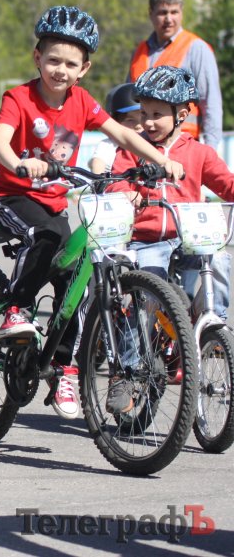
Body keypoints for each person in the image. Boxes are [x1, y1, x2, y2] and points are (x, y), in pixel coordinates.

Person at [0, 5, 184, 420]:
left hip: (54, 201)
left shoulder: (82, 101)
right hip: (12, 193)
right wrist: (18, 163)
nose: (60, 70)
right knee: (45, 237)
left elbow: (122, 133)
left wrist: (161, 160)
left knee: (75, 279)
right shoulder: (18, 98)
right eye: (53, 60)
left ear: (84, 69)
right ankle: (15, 308)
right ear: (37, 57)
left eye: (70, 64)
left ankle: (64, 368)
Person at [107, 65, 234, 413]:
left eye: (157, 115)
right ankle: (127, 372)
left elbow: (226, 184)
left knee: (220, 259)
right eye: (144, 113)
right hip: (148, 239)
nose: (148, 122)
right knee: (145, 295)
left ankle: (210, 326)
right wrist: (126, 193)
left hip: (189, 236)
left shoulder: (199, 153)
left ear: (182, 114)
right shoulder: (133, 149)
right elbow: (116, 180)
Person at [126, 0, 223, 150]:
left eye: (174, 12)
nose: (169, 19)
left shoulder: (197, 48)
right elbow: (127, 101)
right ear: (151, 13)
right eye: (163, 12)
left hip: (182, 145)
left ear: (181, 13)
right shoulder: (139, 51)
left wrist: (210, 151)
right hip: (141, 146)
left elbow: (211, 103)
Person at [87, 83, 142, 175]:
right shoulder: (109, 145)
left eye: (143, 119)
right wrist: (98, 176)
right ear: (114, 121)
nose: (138, 126)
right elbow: (98, 162)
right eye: (130, 120)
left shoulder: (153, 143)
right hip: (115, 183)